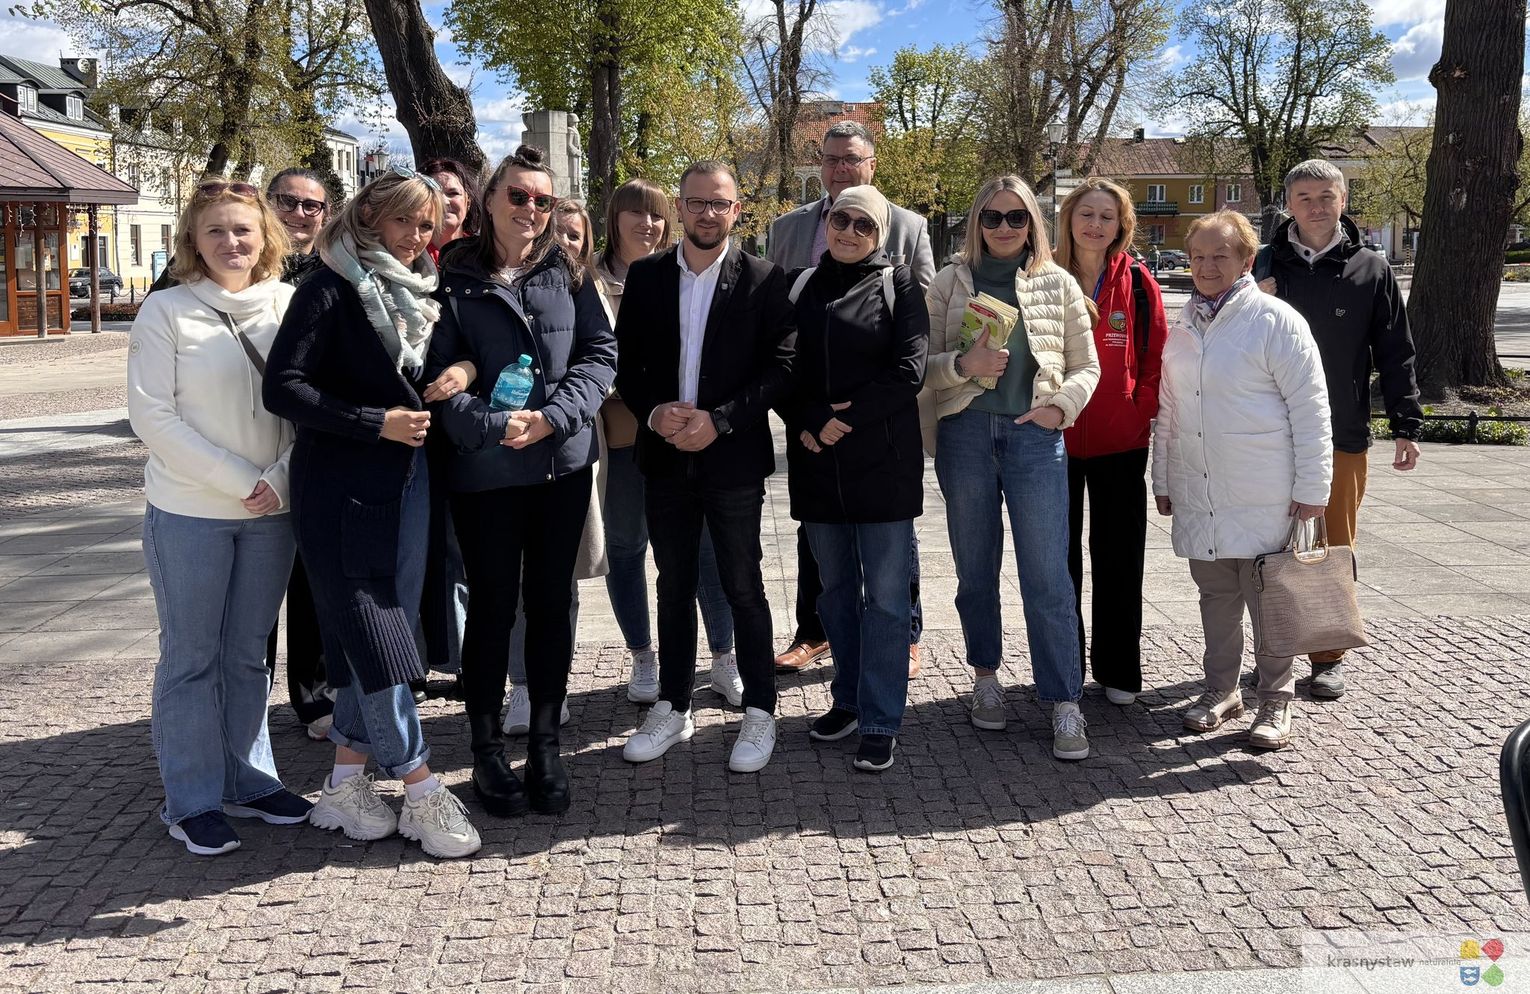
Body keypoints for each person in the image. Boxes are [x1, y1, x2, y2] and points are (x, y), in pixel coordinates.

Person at [264, 168, 482, 858]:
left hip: (408, 485)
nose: (416, 236)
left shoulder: (422, 290)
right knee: (377, 634)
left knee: (379, 638)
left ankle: (343, 784)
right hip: (339, 489)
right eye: (403, 221)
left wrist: (464, 373)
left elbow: (455, 356)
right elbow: (283, 387)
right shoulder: (329, 286)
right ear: (369, 218)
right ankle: (421, 787)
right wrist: (372, 422)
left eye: (427, 225)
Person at [426, 145, 616, 817]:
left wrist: (552, 419)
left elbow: (600, 355)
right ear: (489, 200)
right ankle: (484, 751)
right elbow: (435, 373)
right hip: (486, 471)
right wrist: (489, 425)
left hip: (559, 464)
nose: (531, 209)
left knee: (551, 604)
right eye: (518, 196)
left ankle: (544, 745)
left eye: (542, 199)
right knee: (492, 607)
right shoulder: (452, 276)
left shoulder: (569, 269)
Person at [128, 178, 312, 855]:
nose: (231, 241)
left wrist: (279, 479)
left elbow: (309, 404)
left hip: (272, 509)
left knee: (246, 656)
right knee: (191, 658)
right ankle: (192, 799)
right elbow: (152, 416)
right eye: (216, 231)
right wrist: (240, 479)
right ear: (193, 242)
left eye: (243, 229)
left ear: (265, 236)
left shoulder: (289, 303)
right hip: (191, 511)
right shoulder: (167, 310)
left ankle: (249, 780)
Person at [615, 160, 796, 773]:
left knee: (743, 585)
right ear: (680, 209)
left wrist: (720, 420)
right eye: (696, 202)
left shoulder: (765, 279)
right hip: (664, 456)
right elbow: (625, 362)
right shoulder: (646, 277)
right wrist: (653, 411)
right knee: (673, 582)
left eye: (719, 203)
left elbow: (782, 368)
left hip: (733, 458)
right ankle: (673, 704)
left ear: (737, 210)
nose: (708, 213)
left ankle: (761, 711)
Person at [922, 174, 1100, 760]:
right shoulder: (949, 282)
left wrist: (1060, 408)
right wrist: (962, 366)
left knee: (1047, 576)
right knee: (975, 570)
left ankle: (1064, 700)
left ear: (1032, 224)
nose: (1004, 227)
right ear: (977, 222)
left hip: (1034, 438)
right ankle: (986, 678)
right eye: (992, 217)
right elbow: (921, 364)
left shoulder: (1058, 282)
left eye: (1016, 217)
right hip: (966, 435)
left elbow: (1087, 365)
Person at [1154, 209, 1333, 750]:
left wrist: (1313, 490)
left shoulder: (1276, 321)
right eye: (1198, 256)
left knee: (1269, 601)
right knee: (1216, 598)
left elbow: (1310, 409)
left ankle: (1276, 699)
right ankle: (1221, 690)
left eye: (1220, 255)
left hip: (1264, 491)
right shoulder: (1183, 326)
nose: (1207, 266)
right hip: (1200, 487)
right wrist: (1163, 478)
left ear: (1247, 259)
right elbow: (1169, 410)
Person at [767, 120, 934, 678]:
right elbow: (779, 337)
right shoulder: (787, 228)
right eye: (832, 158)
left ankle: (903, 637)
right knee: (819, 544)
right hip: (812, 431)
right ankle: (814, 632)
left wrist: (859, 410)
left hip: (880, 431)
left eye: (852, 159)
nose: (841, 168)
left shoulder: (909, 228)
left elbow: (919, 323)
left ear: (871, 165)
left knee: (891, 543)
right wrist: (808, 414)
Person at [1256, 158, 1423, 700]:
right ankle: (1274, 651)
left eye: (1327, 196)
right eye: (1305, 198)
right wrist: (1257, 299)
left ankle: (1328, 656)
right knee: (1268, 544)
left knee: (1332, 544)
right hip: (1267, 432)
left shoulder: (1371, 268)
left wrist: (1406, 422)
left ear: (1343, 200)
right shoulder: (1262, 264)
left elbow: (1396, 352)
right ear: (1289, 205)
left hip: (1341, 430)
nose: (1317, 207)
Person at [781, 185, 929, 772]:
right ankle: (847, 699)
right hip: (817, 461)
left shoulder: (899, 284)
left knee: (887, 601)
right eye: (840, 220)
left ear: (880, 233)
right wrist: (810, 420)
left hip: (882, 465)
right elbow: (779, 367)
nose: (848, 232)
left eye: (863, 225)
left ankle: (881, 718)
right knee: (835, 593)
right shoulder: (798, 286)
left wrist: (842, 420)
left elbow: (910, 371)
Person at [593, 179, 740, 710]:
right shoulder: (589, 280)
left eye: (656, 215)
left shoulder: (682, 271)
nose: (648, 224)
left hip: (689, 437)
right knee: (627, 547)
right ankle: (642, 654)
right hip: (624, 437)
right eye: (636, 212)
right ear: (614, 218)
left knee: (704, 551)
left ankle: (723, 654)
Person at [490, 197, 610, 737]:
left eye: (574, 236)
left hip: (567, 450)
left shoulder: (580, 285)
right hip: (503, 452)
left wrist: (553, 418)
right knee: (512, 583)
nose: (562, 242)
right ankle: (521, 684)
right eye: (554, 231)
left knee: (558, 581)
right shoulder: (488, 277)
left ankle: (549, 687)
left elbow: (599, 358)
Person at [1054, 179, 1168, 706]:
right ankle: (1065, 668)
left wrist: (1138, 407)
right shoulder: (1042, 275)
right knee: (1059, 563)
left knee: (1119, 558)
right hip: (1053, 438)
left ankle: (1119, 668)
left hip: (1121, 441)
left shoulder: (1138, 281)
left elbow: (1156, 355)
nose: (1095, 224)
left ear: (1121, 225)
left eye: (1107, 216)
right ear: (1069, 219)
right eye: (1087, 214)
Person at [412, 157, 483, 694]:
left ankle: (464, 658)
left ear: (469, 200)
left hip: (466, 423)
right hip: (409, 425)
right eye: (432, 191)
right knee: (417, 545)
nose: (444, 200)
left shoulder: (480, 260)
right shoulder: (401, 262)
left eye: (453, 191)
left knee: (465, 545)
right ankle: (417, 655)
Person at [421, 157, 481, 263]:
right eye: (434, 194)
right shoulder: (408, 253)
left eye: (453, 193)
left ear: (468, 202)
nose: (444, 201)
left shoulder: (486, 253)